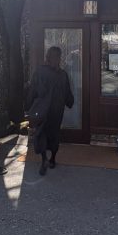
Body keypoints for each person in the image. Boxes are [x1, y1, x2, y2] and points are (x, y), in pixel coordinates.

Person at [25, 46, 74, 176]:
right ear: (59, 58)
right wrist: (70, 102)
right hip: (56, 110)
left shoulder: (40, 71)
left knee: (41, 133)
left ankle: (44, 159)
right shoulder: (62, 74)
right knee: (54, 134)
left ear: (47, 57)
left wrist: (28, 106)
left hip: (42, 109)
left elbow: (33, 90)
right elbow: (67, 93)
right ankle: (52, 159)